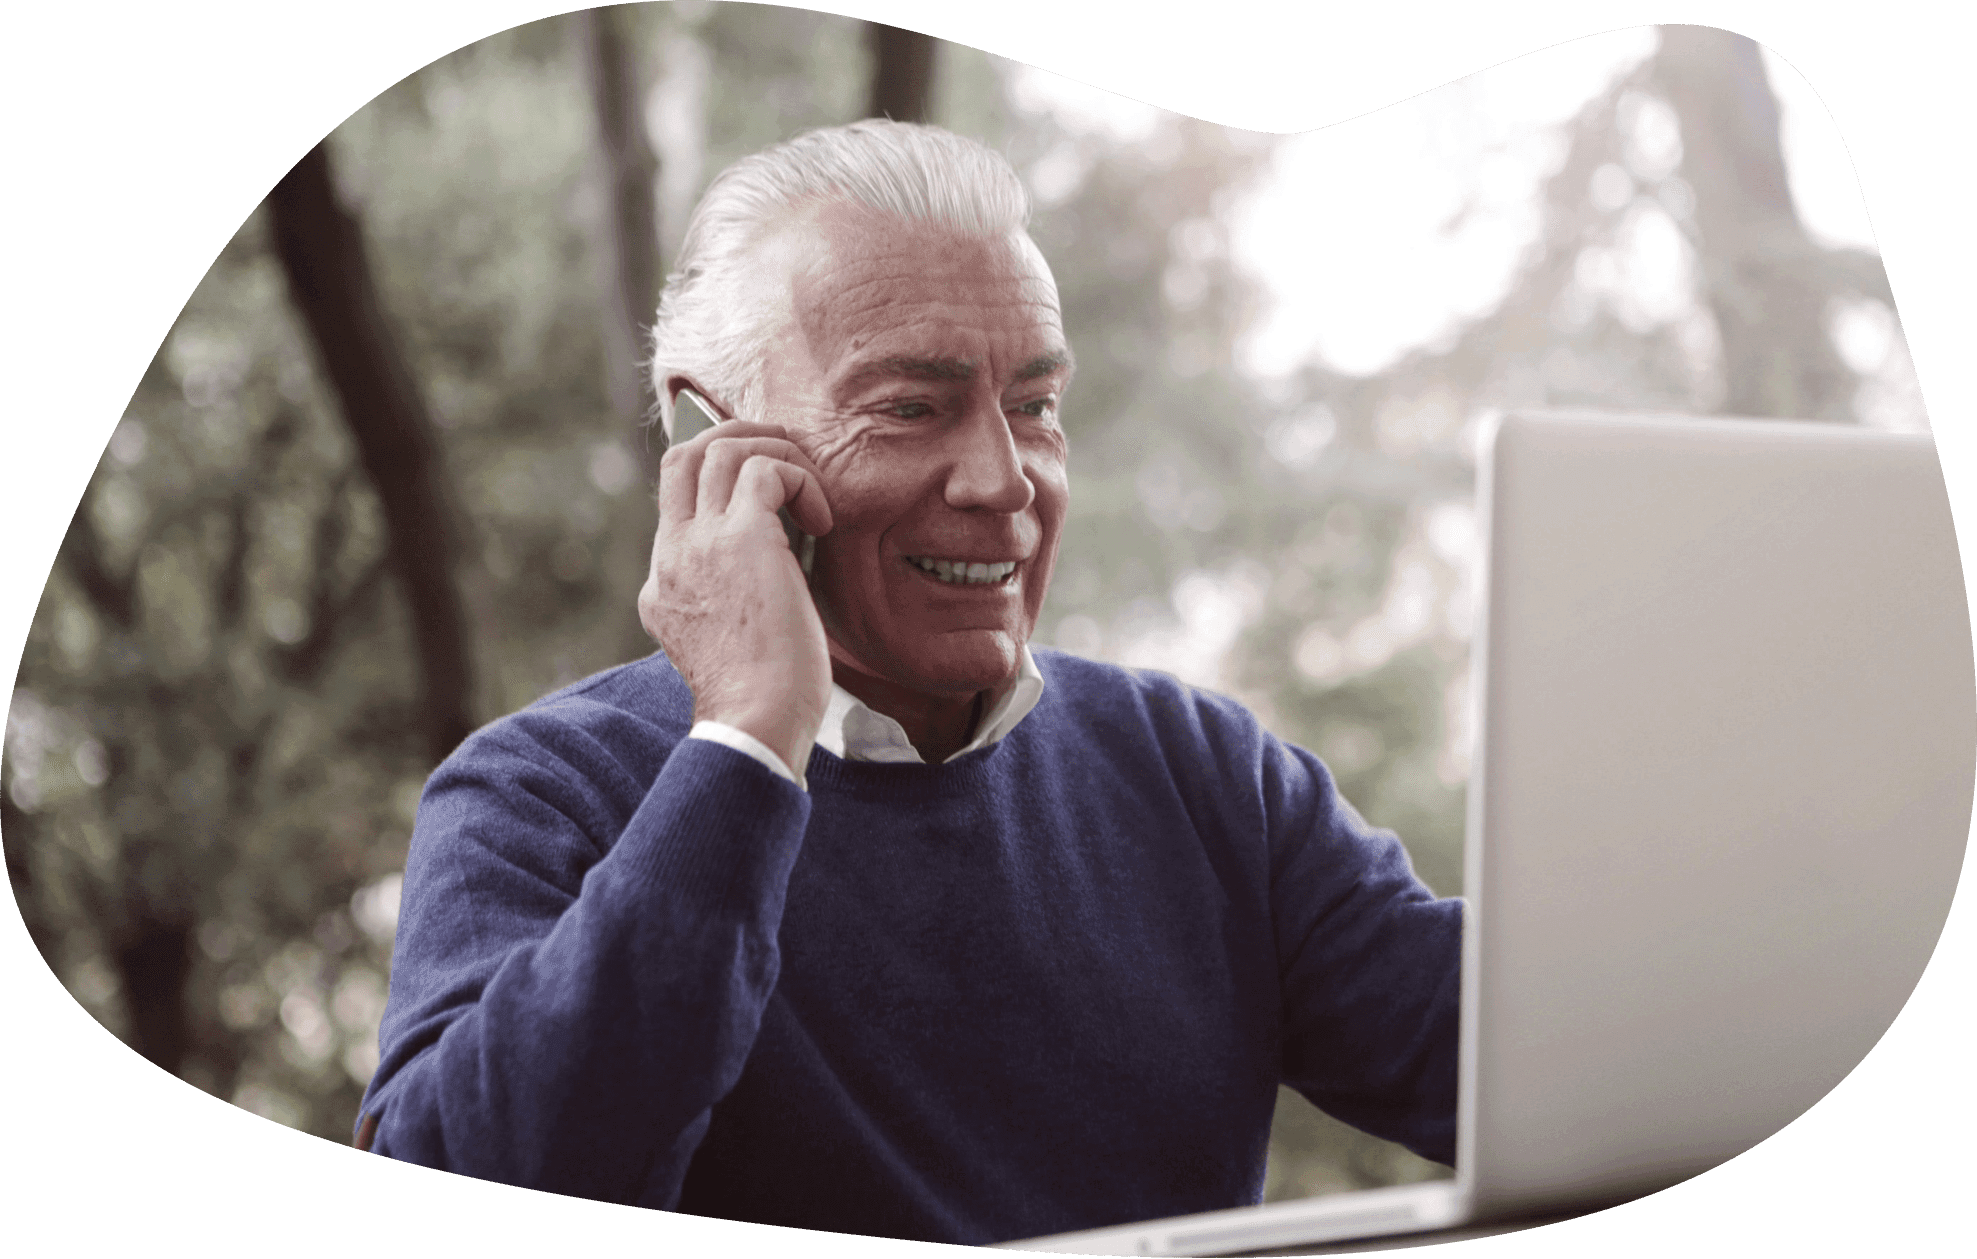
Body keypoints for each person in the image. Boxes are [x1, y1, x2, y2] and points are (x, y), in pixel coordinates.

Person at [358, 120, 1461, 1246]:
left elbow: (1525, 1056)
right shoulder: (541, 791)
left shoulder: (1202, 772)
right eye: (910, 406)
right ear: (712, 439)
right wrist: (746, 742)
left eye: (1034, 407)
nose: (1003, 480)